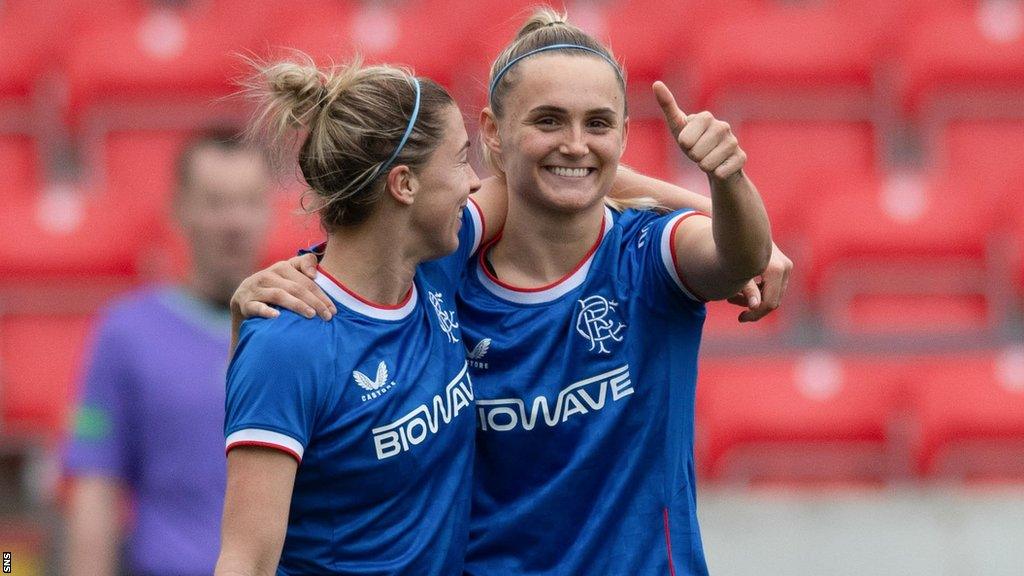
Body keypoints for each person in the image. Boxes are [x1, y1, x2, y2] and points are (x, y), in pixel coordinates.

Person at [235, 9, 787, 575]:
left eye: (600, 124)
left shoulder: (649, 253)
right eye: (547, 120)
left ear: (623, 134)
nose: (575, 143)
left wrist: (729, 188)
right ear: (494, 135)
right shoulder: (436, 268)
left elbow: (731, 257)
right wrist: (259, 316)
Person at [215, 57, 489, 575]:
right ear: (404, 185)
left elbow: (553, 191)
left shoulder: (438, 262)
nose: (474, 183)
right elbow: (245, 561)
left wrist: (694, 211)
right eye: (459, 160)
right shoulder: (289, 340)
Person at [63, 129, 273, 576]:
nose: (234, 222)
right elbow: (94, 488)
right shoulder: (125, 334)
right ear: (179, 209)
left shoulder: (301, 330)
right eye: (215, 203)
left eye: (249, 202)